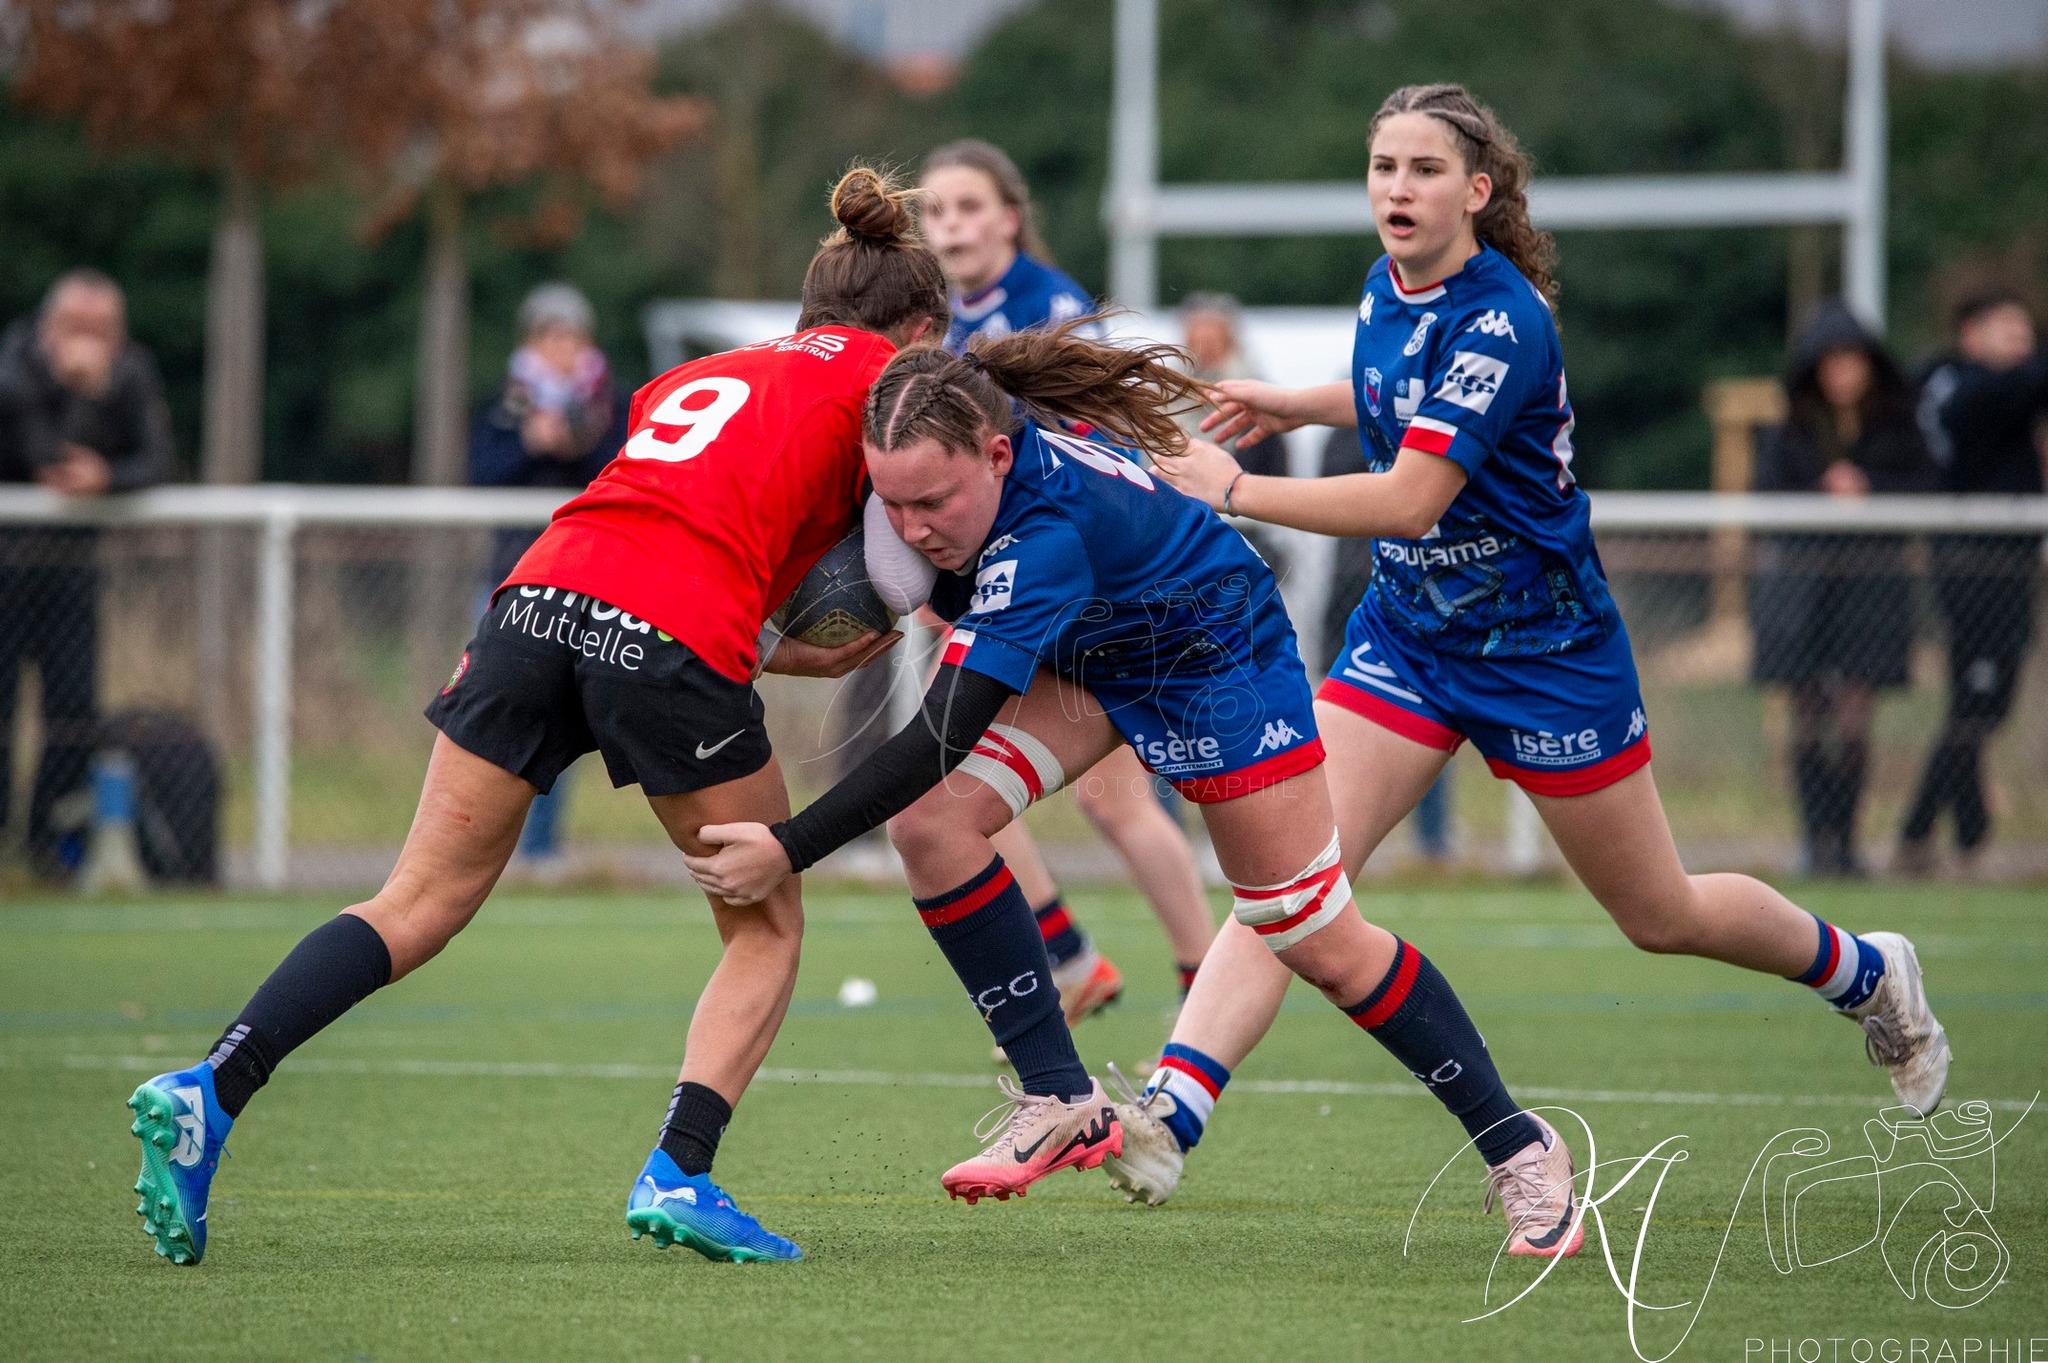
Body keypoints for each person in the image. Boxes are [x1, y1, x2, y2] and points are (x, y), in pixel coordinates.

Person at [1108, 83, 1951, 1210]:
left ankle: (1865, 970)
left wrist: (1236, 488)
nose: (1395, 189)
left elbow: (1412, 498)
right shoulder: (1384, 287)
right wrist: (1297, 403)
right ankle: (1171, 1113)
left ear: (1476, 189)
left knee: (1660, 913)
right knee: (1290, 879)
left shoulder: (1507, 320)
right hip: (1407, 642)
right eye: (1380, 168)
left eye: (1419, 169)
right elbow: (1391, 392)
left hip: (1543, 654)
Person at [122, 168, 944, 1267]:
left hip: (535, 595)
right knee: (768, 919)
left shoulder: (688, 376)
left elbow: (672, 522)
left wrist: (763, 639)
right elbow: (887, 565)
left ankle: (209, 1087)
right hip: (668, 628)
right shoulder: (895, 383)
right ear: (919, 323)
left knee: (414, 900)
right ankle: (679, 1172)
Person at [684, 321, 1588, 1257]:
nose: (910, 530)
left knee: (1312, 934)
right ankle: (1058, 1094)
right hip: (1095, 649)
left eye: (933, 503)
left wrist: (788, 847)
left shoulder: (1042, 537)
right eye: (891, 502)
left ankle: (1522, 1147)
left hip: (1213, 654)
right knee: (934, 830)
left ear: (998, 456)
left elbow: (937, 736)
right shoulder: (959, 422)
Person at [919, 138, 1215, 1015]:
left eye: (968, 206)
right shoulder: (948, 325)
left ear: (1010, 216)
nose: (950, 225)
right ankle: (1079, 956)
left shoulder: (1046, 308)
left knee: (1086, 798)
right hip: (1026, 581)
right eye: (935, 210)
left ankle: (1190, 973)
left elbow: (1085, 452)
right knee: (957, 780)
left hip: (1089, 579)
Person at [1750, 300, 1936, 877]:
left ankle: (1847, 844)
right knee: (1807, 714)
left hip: (1871, 587)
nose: (1841, 375)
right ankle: (1815, 842)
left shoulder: (1897, 426)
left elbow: (1925, 483)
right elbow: (1766, 492)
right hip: (1803, 588)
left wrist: (1869, 486)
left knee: (1855, 718)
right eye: (1830, 363)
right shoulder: (1791, 430)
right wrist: (1821, 490)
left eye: (1850, 361)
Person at [0, 269, 173, 878]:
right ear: (51, 327)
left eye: (103, 331)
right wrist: (78, 393)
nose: (91, 343)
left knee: (73, 708)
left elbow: (155, 459)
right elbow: (44, 457)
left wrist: (108, 476)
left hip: (72, 565)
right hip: (6, 562)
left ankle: (43, 843)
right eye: (78, 329)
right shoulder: (16, 364)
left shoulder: (131, 373)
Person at [468, 283, 631, 864]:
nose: (563, 347)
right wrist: (530, 445)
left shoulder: (609, 400)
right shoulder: (507, 399)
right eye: (551, 335)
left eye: (572, 336)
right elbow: (481, 472)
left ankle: (541, 849)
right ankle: (488, 847)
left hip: (584, 576)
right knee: (495, 712)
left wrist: (575, 444)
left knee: (565, 719)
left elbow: (619, 469)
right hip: (510, 574)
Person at [1898, 290, 2048, 874]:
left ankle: (1965, 831)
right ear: (1971, 337)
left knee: (1978, 703)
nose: (2022, 348)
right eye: (2006, 334)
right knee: (1978, 703)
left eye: (2025, 335)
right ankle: (1920, 832)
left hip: (2001, 561)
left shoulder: (1978, 389)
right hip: (1976, 562)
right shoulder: (1969, 389)